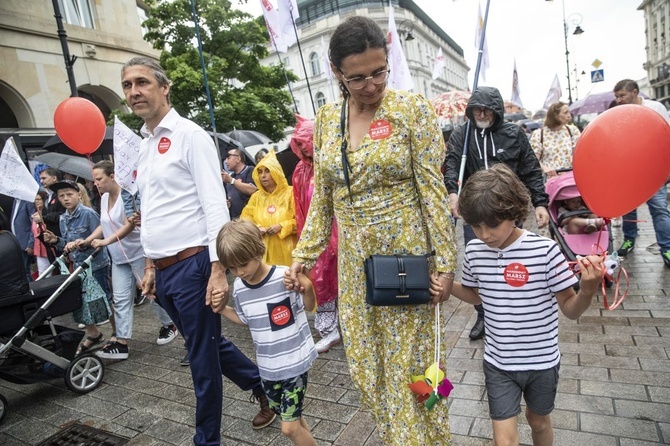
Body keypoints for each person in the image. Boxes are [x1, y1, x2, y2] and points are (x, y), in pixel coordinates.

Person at [285, 17, 457, 445]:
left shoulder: (411, 110)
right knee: (365, 370)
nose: (371, 85)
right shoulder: (326, 120)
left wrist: (448, 264)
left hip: (409, 265)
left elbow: (433, 192)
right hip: (356, 269)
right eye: (357, 77)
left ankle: (423, 437)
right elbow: (323, 198)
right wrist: (303, 255)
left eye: (379, 71)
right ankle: (410, 435)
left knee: (415, 370)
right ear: (337, 72)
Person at [121, 56, 274, 444]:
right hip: (165, 269)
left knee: (201, 360)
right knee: (205, 343)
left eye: (142, 82)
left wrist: (218, 269)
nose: (134, 92)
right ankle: (263, 385)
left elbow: (213, 204)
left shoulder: (190, 135)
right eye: (127, 85)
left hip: (195, 266)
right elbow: (153, 211)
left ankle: (207, 441)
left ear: (164, 87)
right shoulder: (144, 144)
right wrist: (152, 265)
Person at [448, 163, 604, 446]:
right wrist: (450, 288)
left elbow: (569, 308)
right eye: (475, 226)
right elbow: (477, 295)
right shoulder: (474, 250)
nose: (483, 234)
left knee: (539, 422)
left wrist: (588, 290)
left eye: (492, 224)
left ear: (514, 213)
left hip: (542, 363)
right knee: (504, 440)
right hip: (498, 362)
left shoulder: (545, 251)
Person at [444, 86, 549, 340]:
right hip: (475, 212)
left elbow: (531, 169)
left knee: (513, 262)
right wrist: (452, 192)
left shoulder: (514, 133)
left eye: (487, 109)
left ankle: (514, 310)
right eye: (477, 109)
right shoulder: (462, 133)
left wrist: (540, 203)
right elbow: (452, 163)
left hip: (507, 210)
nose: (481, 113)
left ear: (497, 111)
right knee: (480, 266)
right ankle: (484, 316)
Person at [213, 219, 317, 446]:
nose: (239, 272)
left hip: (294, 364)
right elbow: (245, 319)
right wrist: (221, 309)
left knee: (289, 428)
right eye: (232, 267)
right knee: (294, 419)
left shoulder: (284, 277)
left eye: (243, 264)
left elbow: (308, 306)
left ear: (259, 251)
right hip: (268, 369)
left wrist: (306, 286)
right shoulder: (240, 287)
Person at [76, 161, 178, 360]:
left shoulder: (127, 196)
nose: (95, 183)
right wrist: (88, 240)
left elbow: (129, 225)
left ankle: (170, 324)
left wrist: (105, 241)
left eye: (99, 179)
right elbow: (104, 224)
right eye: (94, 180)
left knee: (151, 292)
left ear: (112, 176)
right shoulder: (104, 198)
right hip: (118, 257)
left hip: (138, 254)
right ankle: (122, 342)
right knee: (121, 299)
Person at [42, 180, 111, 354]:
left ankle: (118, 336)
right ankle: (94, 334)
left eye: (69, 194)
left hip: (96, 264)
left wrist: (83, 242)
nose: (65, 199)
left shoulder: (88, 214)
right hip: (78, 266)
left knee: (105, 301)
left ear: (79, 195)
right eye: (61, 196)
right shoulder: (63, 218)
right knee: (78, 301)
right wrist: (56, 241)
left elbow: (100, 236)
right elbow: (67, 244)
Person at [290, 115, 340, 353]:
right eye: (297, 144)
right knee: (320, 281)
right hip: (317, 241)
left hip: (343, 237)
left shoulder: (331, 164)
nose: (302, 148)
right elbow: (300, 210)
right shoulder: (300, 171)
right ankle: (329, 330)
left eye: (305, 142)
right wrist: (304, 244)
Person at [612, 79, 670, 267]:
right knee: (628, 209)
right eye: (617, 97)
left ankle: (667, 248)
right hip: (629, 170)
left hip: (653, 170)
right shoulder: (618, 114)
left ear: (635, 92)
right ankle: (629, 240)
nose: (619, 100)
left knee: (660, 209)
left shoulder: (655, 108)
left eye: (622, 95)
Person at [241, 150, 297, 267]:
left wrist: (282, 226)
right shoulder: (256, 197)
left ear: (276, 172)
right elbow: (245, 218)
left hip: (289, 252)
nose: (263, 176)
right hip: (263, 251)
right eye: (260, 172)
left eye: (267, 171)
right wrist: (257, 228)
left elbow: (302, 220)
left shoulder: (291, 193)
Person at [529, 101, 581, 178]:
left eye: (569, 112)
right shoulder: (539, 134)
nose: (569, 115)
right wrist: (544, 168)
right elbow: (534, 160)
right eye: (565, 113)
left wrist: (574, 159)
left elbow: (578, 153)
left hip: (571, 178)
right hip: (551, 179)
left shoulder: (572, 130)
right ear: (555, 115)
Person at [221, 148, 257, 219]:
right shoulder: (229, 177)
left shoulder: (250, 170)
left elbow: (253, 190)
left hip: (249, 219)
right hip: (234, 220)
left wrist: (232, 181)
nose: (225, 161)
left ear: (238, 159)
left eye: (228, 158)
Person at [32, 190, 53, 277]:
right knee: (43, 274)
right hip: (39, 249)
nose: (37, 201)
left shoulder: (48, 214)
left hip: (50, 247)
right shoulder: (34, 215)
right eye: (35, 199)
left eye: (39, 199)